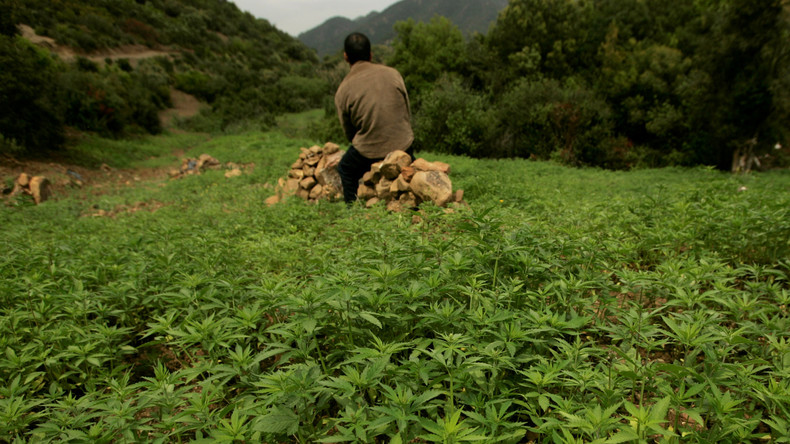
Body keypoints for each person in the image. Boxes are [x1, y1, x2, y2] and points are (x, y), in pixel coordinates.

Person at [334, 32, 414, 203]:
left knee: (345, 169)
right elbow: (406, 110)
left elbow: (349, 132)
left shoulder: (343, 89)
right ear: (370, 54)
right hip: (404, 145)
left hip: (368, 150)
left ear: (346, 57)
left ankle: (353, 212)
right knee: (409, 167)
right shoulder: (393, 74)